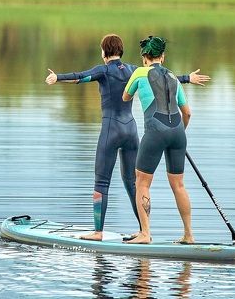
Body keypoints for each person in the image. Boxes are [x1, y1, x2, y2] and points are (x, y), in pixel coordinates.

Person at [45, 34, 209, 241]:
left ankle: (99, 232)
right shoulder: (135, 70)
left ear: (104, 52)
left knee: (102, 182)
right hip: (132, 131)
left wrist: (57, 77)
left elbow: (80, 76)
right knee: (136, 182)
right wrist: (188, 78)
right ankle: (152, 230)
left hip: (111, 130)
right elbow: (164, 78)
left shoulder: (106, 70)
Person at [121, 35, 193, 245]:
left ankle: (145, 233)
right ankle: (189, 235)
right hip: (178, 132)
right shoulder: (173, 76)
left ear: (144, 56)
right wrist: (179, 134)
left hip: (155, 132)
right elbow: (187, 113)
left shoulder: (139, 73)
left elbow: (126, 97)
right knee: (179, 185)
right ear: (163, 56)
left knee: (142, 183)